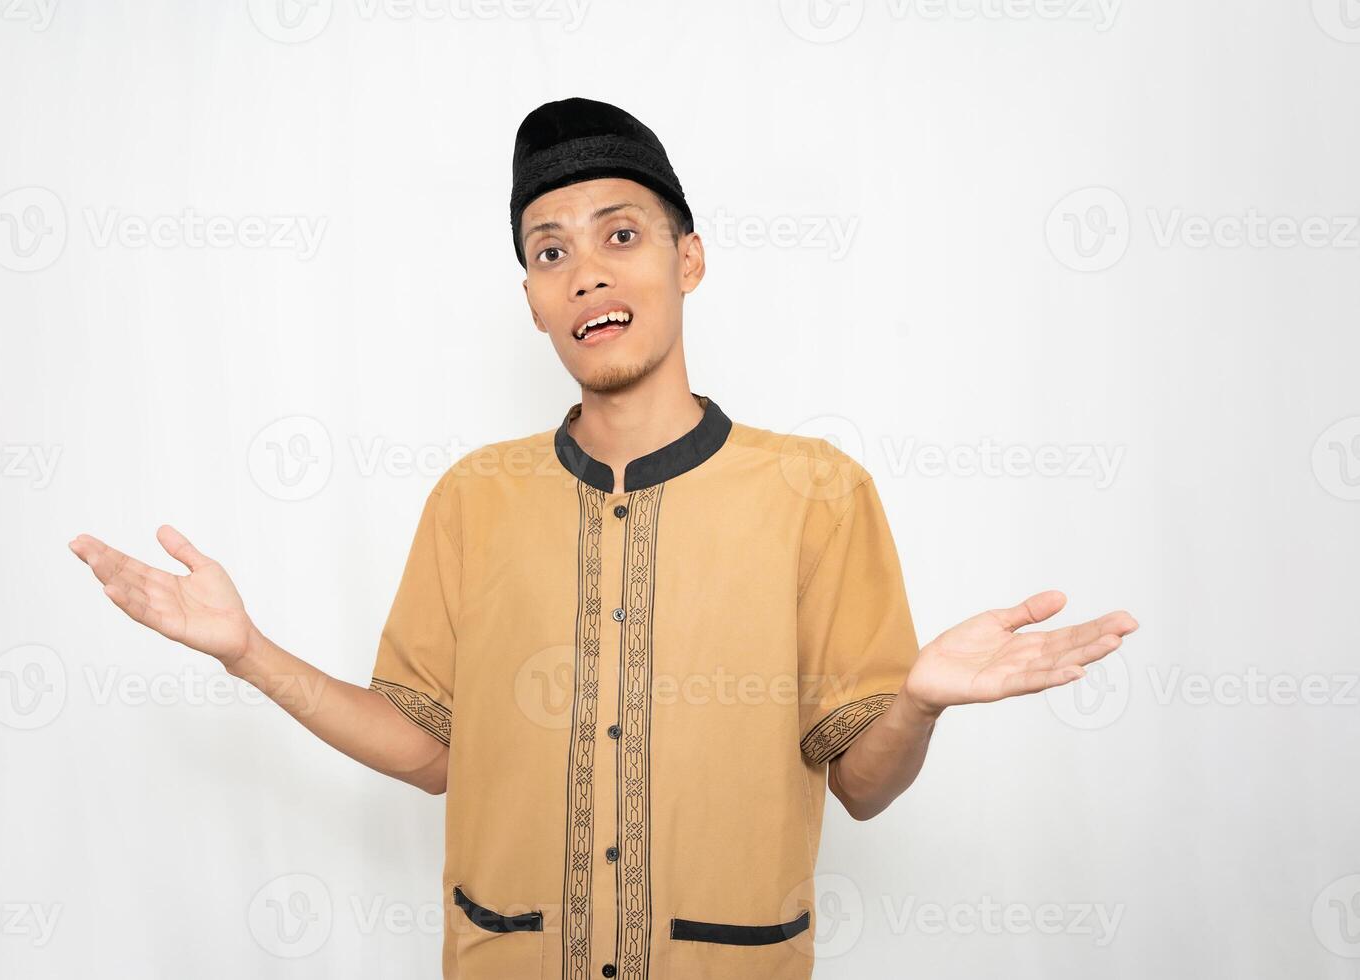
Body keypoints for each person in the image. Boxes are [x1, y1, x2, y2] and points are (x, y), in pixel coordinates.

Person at [68, 97, 1138, 980]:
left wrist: (916, 698)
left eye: (620, 234)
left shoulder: (817, 492)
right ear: (534, 300)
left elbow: (862, 783)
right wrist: (247, 650)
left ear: (691, 258)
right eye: (551, 251)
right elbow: (428, 746)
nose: (586, 271)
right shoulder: (471, 499)